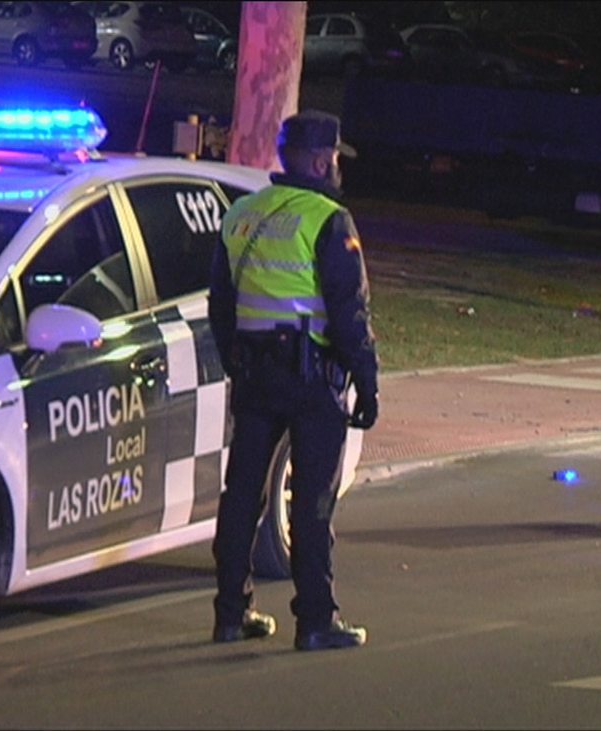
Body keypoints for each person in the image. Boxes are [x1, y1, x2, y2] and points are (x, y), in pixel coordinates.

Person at [207, 109, 379, 652]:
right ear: (319, 159)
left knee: (241, 498)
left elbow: (220, 306)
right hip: (312, 379)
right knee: (311, 504)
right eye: (333, 157)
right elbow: (349, 312)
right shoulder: (328, 220)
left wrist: (239, 362)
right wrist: (367, 384)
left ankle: (231, 615)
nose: (336, 167)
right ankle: (315, 621)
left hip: (256, 375)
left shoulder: (242, 214)